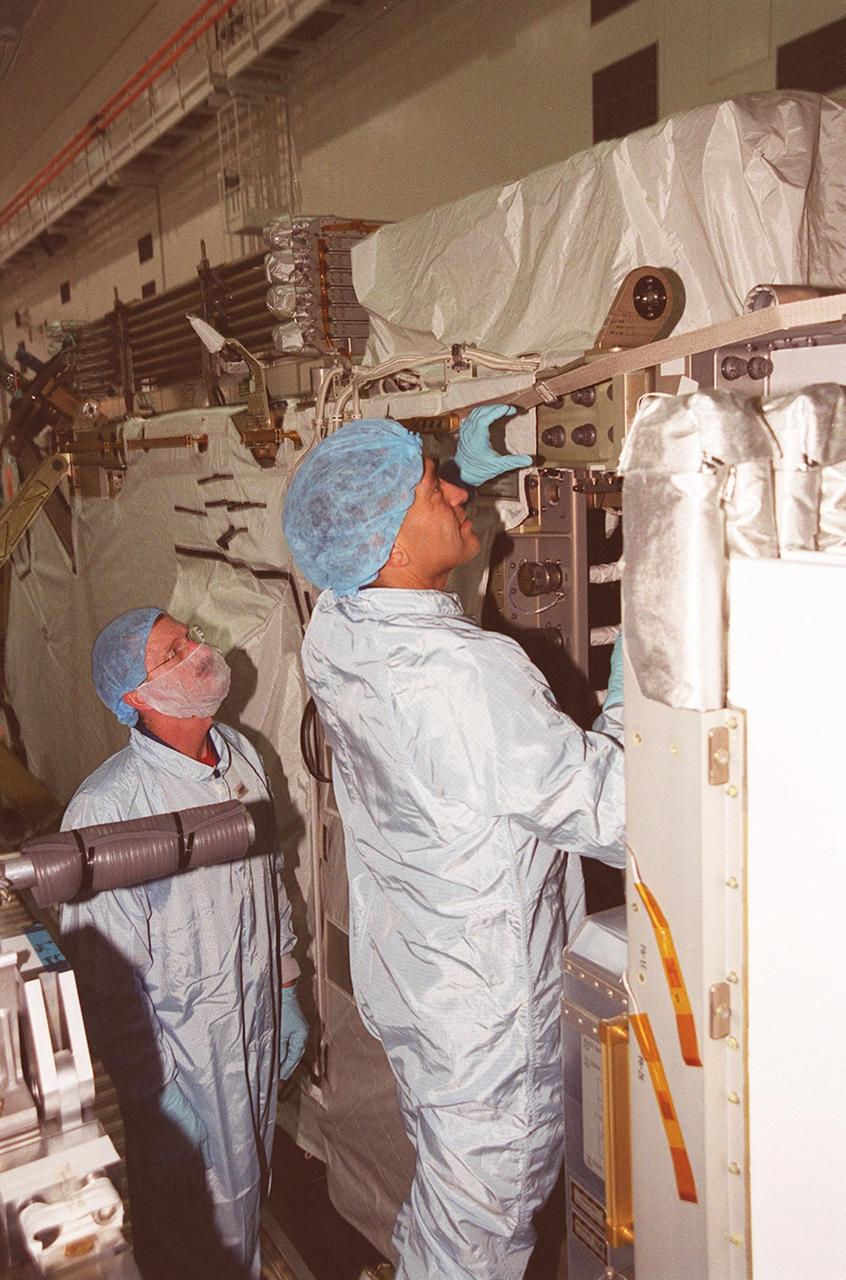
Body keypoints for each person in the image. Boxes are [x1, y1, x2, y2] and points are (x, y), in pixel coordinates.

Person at [282, 407, 625, 1280]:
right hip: (487, 1013)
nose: (447, 490)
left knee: (450, 1200)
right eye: (428, 487)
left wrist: (464, 481)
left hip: (417, 981)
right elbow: (616, 815)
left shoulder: (337, 630)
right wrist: (638, 681)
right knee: (483, 1226)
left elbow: (408, 592)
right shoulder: (467, 678)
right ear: (390, 547)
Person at [60, 608, 308, 1280]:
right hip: (185, 1064)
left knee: (247, 1202)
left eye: (192, 637)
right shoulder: (108, 809)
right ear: (134, 698)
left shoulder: (241, 755)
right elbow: (105, 980)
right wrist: (154, 1096)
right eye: (174, 651)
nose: (198, 651)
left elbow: (268, 876)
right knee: (193, 1237)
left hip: (253, 1030)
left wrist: (285, 981)